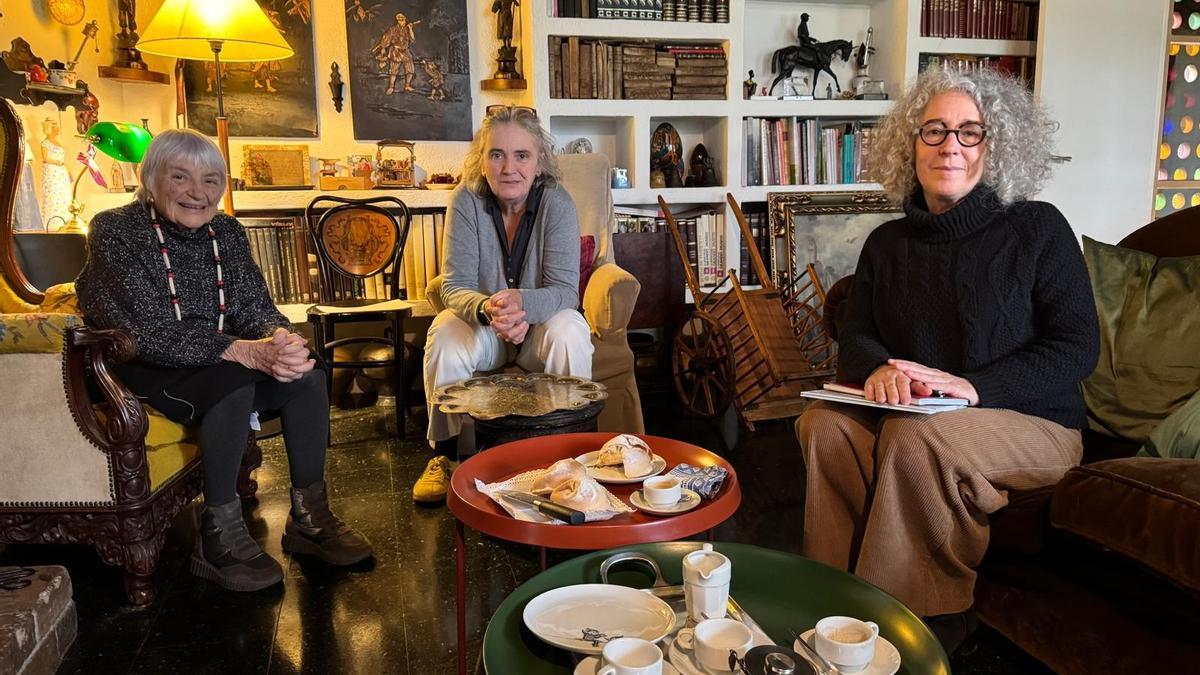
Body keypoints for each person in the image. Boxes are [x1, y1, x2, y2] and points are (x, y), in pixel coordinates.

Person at [795, 69, 1099, 653]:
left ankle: (913, 625)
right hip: (925, 419)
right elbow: (856, 335)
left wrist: (972, 387)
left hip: (1036, 425)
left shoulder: (1039, 228)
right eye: (933, 130)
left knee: (916, 440)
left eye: (969, 132)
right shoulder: (887, 243)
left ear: (996, 145)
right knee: (824, 426)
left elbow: (1076, 348)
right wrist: (879, 368)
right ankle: (828, 600)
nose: (949, 145)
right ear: (909, 143)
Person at [75, 129, 373, 593]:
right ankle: (217, 538)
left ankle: (310, 519)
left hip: (219, 360)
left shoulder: (226, 232)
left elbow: (253, 304)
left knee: (308, 375)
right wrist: (242, 350)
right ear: (151, 179)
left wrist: (280, 340)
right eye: (181, 177)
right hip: (149, 368)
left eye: (212, 180)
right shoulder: (116, 230)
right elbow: (147, 330)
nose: (199, 192)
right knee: (234, 379)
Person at [417, 105, 592, 501]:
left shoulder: (558, 203)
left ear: (539, 161)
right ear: (483, 160)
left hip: (538, 331)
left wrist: (522, 306)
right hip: (487, 329)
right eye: (497, 154)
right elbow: (454, 285)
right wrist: (491, 310)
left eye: (521, 155)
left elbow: (566, 290)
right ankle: (445, 457)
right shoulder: (466, 199)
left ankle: (569, 453)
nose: (508, 167)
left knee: (570, 331)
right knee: (443, 331)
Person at [375, 13, 417, 95]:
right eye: (402, 21)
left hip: (405, 51)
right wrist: (383, 48)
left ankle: (407, 85)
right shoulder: (393, 29)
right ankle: (391, 87)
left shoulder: (406, 29)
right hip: (396, 51)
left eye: (404, 20)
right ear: (398, 21)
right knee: (393, 71)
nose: (404, 22)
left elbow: (412, 39)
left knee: (410, 69)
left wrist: (410, 28)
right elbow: (385, 39)